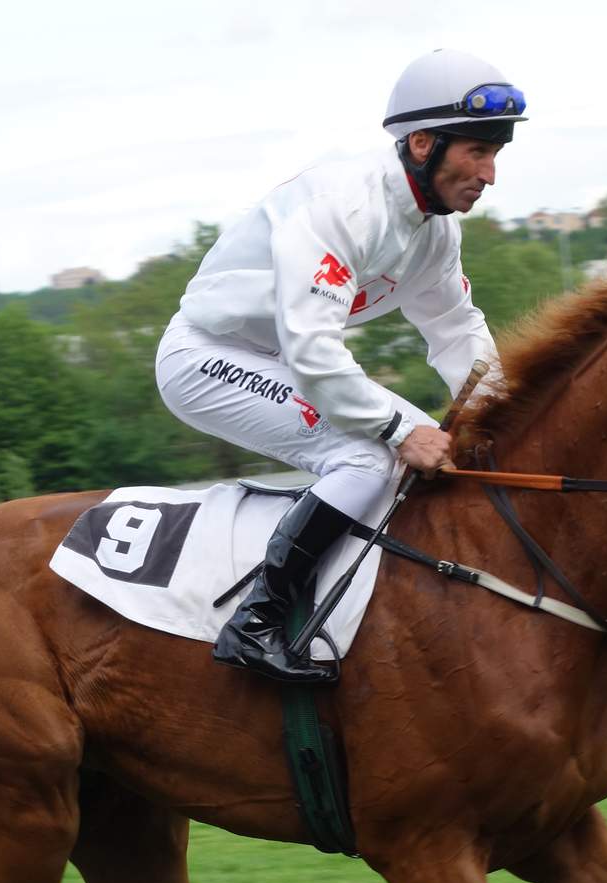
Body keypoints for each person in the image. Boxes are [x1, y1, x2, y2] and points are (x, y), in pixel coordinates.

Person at [156, 48, 522, 685]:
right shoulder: (345, 207)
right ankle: (256, 624)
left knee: (437, 454)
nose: (489, 175)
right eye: (478, 152)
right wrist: (401, 432)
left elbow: (456, 330)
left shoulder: (434, 232)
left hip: (287, 361)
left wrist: (507, 414)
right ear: (423, 144)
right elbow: (315, 351)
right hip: (207, 358)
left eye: (496, 155)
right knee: (371, 456)